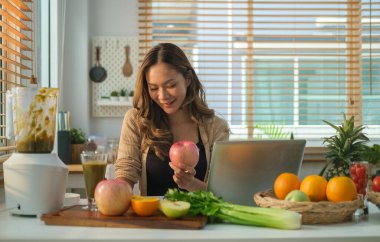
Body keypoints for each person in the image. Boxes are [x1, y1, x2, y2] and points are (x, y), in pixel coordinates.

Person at [115, 43, 230, 196]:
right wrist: (115, 193)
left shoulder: (216, 127)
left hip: (199, 219)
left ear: (188, 79)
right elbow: (126, 170)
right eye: (154, 88)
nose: (162, 96)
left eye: (171, 85)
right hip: (153, 218)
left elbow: (223, 193)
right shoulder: (136, 120)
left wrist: (191, 183)